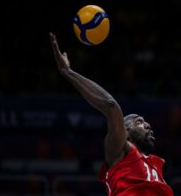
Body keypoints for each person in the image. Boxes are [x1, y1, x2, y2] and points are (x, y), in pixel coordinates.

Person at [49, 32, 174, 196]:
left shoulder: (154, 167)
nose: (147, 125)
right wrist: (68, 72)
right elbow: (111, 106)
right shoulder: (120, 151)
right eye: (139, 122)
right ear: (125, 132)